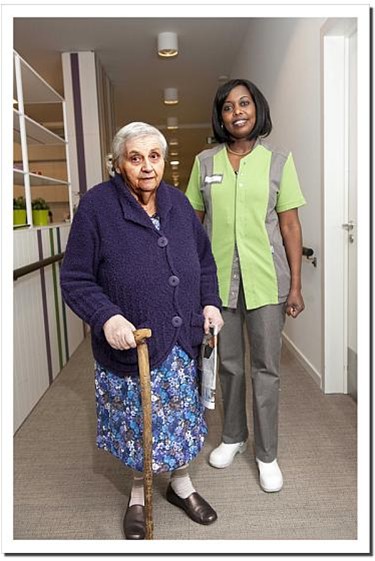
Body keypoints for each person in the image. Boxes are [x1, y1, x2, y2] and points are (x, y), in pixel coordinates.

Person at [60, 122, 224, 539]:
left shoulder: (178, 204)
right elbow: (76, 278)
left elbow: (204, 262)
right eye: (135, 157)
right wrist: (107, 316)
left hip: (182, 339)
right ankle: (138, 492)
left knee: (182, 419)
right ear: (118, 164)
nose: (147, 166)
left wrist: (209, 303)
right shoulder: (97, 206)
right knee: (139, 425)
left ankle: (181, 484)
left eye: (155, 156)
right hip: (132, 348)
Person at [185, 79, 306, 494]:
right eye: (227, 106)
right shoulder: (204, 163)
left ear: (257, 108)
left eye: (245, 103)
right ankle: (233, 437)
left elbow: (289, 224)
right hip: (217, 285)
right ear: (219, 116)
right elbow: (192, 227)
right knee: (230, 365)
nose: (237, 111)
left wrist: (296, 286)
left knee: (266, 369)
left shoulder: (278, 160)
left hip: (268, 282)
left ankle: (266, 453)